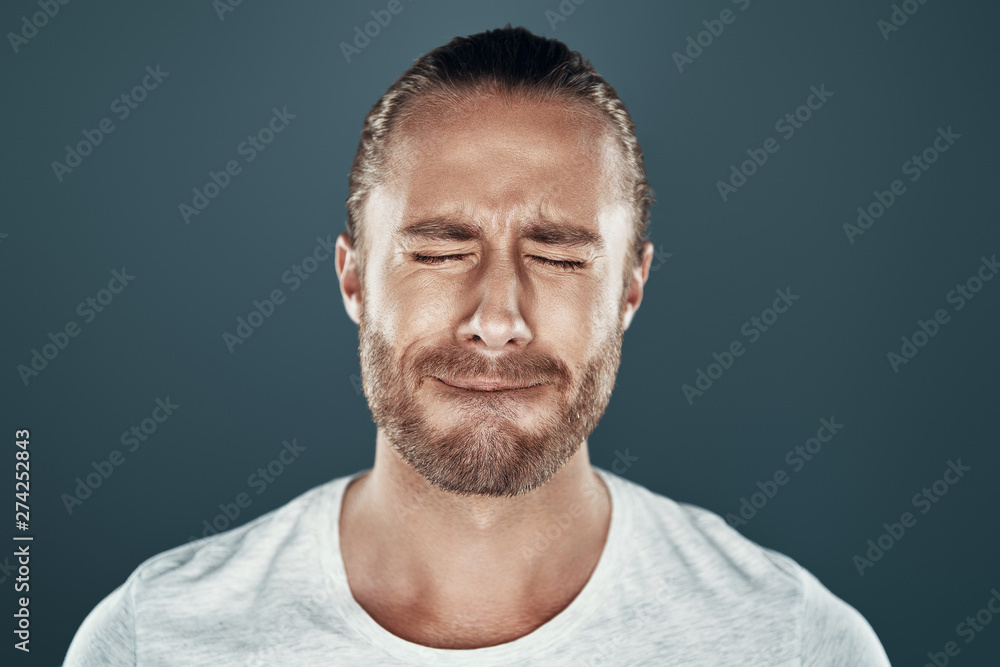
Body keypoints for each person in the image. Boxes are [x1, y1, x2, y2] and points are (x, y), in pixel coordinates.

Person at [65, 25, 890, 665]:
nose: (497, 318)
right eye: (438, 251)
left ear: (630, 290)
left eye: (559, 256)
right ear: (353, 280)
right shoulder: (153, 637)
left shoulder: (795, 642)